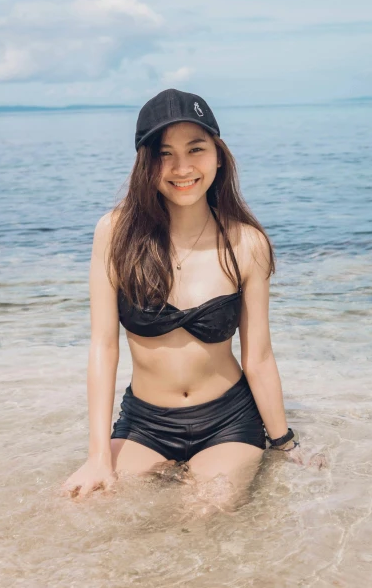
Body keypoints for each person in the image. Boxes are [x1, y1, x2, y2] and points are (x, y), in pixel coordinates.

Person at [61, 88, 302, 511]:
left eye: (196, 149)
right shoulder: (115, 234)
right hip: (145, 423)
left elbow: (259, 357)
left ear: (219, 155)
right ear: (145, 162)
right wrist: (98, 456)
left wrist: (284, 443)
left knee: (205, 511)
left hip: (227, 420)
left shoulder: (246, 243)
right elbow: (103, 346)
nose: (182, 167)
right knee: (91, 508)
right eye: (164, 154)